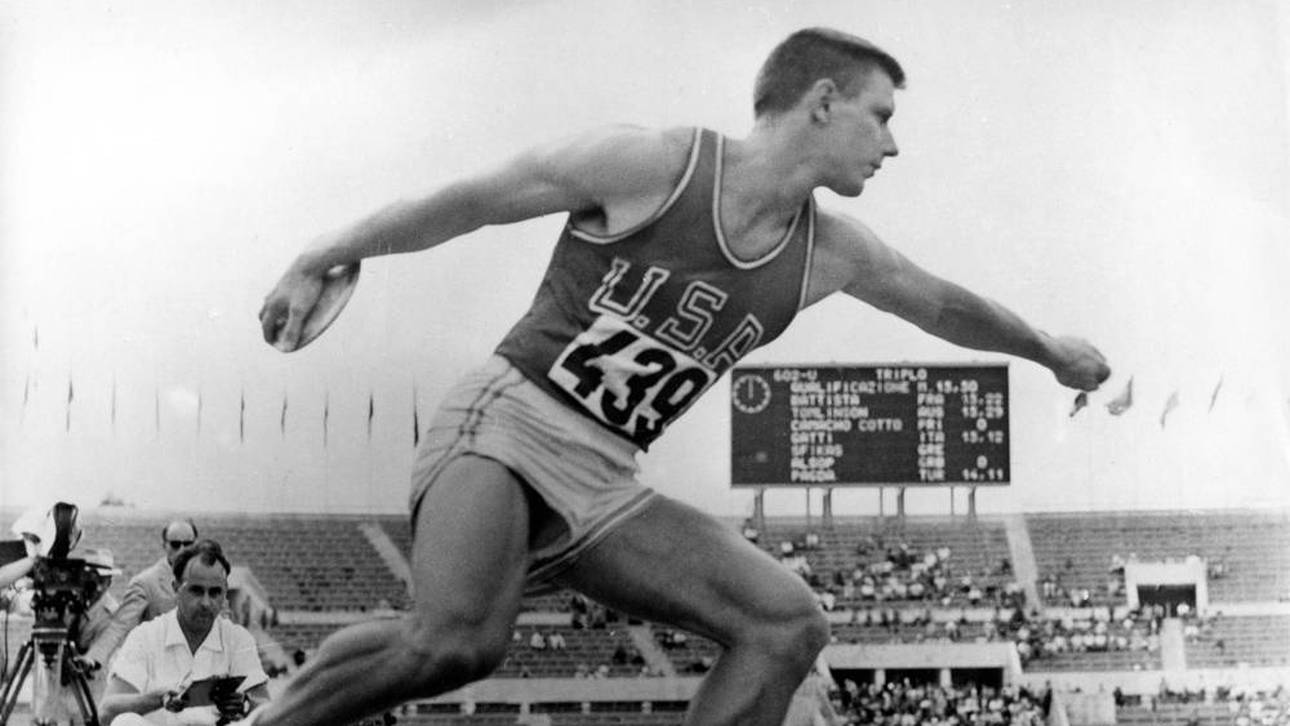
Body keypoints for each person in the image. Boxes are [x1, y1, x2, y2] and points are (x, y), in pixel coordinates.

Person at [255, 27, 1109, 726]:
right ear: (822, 101)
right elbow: (472, 200)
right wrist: (325, 253)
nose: (892, 142)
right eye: (880, 116)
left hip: (604, 477)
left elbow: (943, 307)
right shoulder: (654, 166)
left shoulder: (833, 252)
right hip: (509, 421)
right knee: (453, 646)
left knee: (785, 622)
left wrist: (1049, 350)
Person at [99, 540, 269, 726]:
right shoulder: (146, 636)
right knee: (126, 722)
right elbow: (106, 711)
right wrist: (157, 699)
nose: (206, 603)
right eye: (196, 590)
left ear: (225, 593)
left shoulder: (237, 639)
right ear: (176, 588)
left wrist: (244, 703)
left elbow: (266, 708)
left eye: (214, 593)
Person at [86, 519, 201, 671]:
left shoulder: (209, 580)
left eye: (188, 544)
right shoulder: (146, 583)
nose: (182, 550)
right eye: (175, 544)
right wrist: (94, 658)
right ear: (164, 545)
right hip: (161, 675)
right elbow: (119, 625)